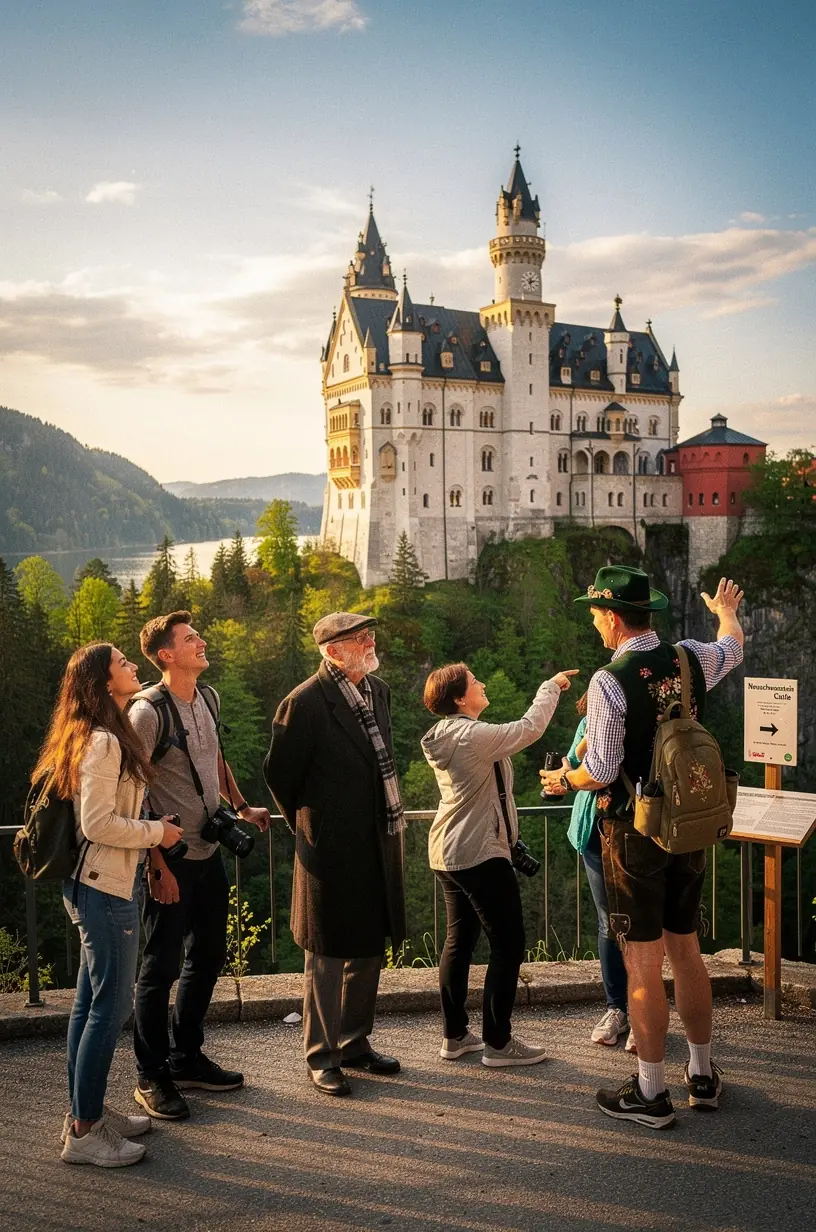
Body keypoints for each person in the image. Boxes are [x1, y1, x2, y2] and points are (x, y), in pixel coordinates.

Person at [540, 567, 744, 1130]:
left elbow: (602, 769)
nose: (595, 624)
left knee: (643, 963)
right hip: (687, 824)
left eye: (596, 615)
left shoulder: (610, 680)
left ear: (612, 618)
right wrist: (725, 612)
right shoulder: (688, 659)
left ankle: (651, 1092)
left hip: (633, 832)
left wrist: (566, 778)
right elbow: (732, 648)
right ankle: (701, 1075)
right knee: (688, 951)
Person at [31, 642, 183, 1167]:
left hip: (98, 885)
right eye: (123, 663)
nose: (133, 667)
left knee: (87, 1004)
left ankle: (86, 1111)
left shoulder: (101, 734)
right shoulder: (102, 743)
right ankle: (86, 1132)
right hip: (104, 889)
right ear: (102, 681)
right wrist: (157, 833)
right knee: (108, 1009)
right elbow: (96, 825)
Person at [129, 612, 271, 1120]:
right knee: (159, 969)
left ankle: (186, 1057)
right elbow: (132, 791)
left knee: (207, 957)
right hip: (170, 859)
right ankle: (151, 1075)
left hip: (209, 853)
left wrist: (241, 805)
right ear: (166, 655)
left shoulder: (207, 698)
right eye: (191, 639)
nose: (201, 641)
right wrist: (155, 864)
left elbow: (215, 760)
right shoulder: (147, 713)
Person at [264, 613, 406, 1098]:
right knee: (325, 955)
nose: (370, 642)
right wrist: (312, 824)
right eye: (359, 639)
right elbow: (280, 775)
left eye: (369, 635)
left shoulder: (378, 691)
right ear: (332, 652)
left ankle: (354, 1042)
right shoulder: (303, 702)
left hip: (376, 841)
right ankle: (322, 1056)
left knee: (368, 948)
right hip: (328, 847)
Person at [422, 662, 577, 1067]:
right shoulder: (472, 736)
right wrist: (551, 687)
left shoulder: (444, 736)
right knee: (508, 943)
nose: (483, 682)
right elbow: (528, 729)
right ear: (459, 698)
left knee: (459, 942)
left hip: (448, 850)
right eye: (474, 682)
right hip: (479, 853)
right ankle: (498, 1043)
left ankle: (455, 1036)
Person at [562, 694, 633, 1053]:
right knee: (609, 922)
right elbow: (573, 762)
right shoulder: (589, 721)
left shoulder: (639, 718)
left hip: (633, 830)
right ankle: (617, 1009)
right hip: (593, 831)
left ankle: (642, 1011)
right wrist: (591, 732)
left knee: (642, 925)